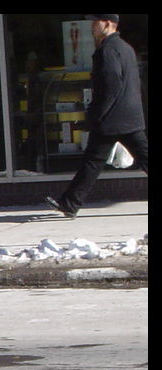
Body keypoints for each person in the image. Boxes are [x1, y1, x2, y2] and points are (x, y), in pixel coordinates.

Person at [45, 14, 148, 218]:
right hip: (128, 116)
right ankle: (69, 203)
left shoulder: (107, 50)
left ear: (108, 24)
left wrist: (97, 114)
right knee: (95, 161)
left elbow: (111, 85)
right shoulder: (125, 48)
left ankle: (69, 204)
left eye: (96, 22)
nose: (92, 26)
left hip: (112, 118)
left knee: (92, 161)